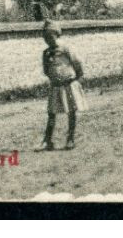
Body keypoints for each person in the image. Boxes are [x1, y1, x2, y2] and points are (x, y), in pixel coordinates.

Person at [39, 19, 85, 150]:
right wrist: (54, 76)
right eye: (45, 37)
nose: (48, 39)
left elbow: (77, 63)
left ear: (57, 35)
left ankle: (70, 139)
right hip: (56, 86)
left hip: (69, 85)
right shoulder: (46, 53)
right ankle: (47, 141)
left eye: (50, 36)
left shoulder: (66, 48)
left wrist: (78, 77)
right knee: (51, 113)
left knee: (71, 111)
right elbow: (46, 70)